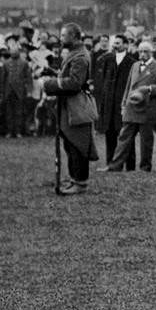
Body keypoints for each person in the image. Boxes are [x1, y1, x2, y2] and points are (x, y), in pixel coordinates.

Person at [43, 23, 99, 195]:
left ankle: (80, 182)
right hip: (69, 105)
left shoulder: (80, 56)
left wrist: (51, 84)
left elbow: (75, 83)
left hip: (77, 106)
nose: (60, 39)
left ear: (73, 35)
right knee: (70, 145)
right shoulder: (75, 53)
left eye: (63, 35)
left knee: (78, 145)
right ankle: (75, 178)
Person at [98, 41, 156, 172]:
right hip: (131, 107)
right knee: (124, 138)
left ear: (151, 52)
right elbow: (128, 86)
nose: (142, 54)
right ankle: (115, 166)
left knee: (146, 140)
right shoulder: (135, 65)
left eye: (145, 52)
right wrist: (124, 103)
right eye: (140, 51)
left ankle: (145, 167)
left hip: (146, 107)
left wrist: (149, 89)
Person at [98, 35, 138, 170]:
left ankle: (130, 166)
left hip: (123, 104)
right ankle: (111, 164)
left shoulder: (132, 62)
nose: (115, 45)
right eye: (113, 43)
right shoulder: (108, 60)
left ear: (126, 45)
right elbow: (103, 83)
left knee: (126, 136)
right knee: (110, 135)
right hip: (109, 104)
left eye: (118, 43)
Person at [0, 47, 33, 138]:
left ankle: (18, 131)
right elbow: (2, 79)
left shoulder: (24, 63)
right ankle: (10, 131)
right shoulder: (6, 64)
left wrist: (29, 91)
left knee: (19, 112)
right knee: (9, 113)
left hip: (20, 91)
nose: (13, 53)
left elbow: (29, 78)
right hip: (8, 91)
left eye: (15, 52)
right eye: (12, 52)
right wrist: (2, 92)